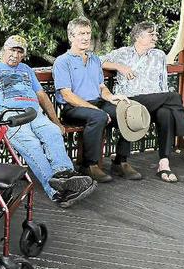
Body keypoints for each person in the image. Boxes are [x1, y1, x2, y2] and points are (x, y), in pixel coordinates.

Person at [0, 36, 96, 208]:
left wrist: (56, 122)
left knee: (53, 133)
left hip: (35, 114)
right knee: (32, 145)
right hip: (11, 117)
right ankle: (57, 193)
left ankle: (64, 175)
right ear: (4, 49)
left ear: (23, 55)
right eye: (12, 50)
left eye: (20, 52)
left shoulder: (26, 69)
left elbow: (42, 96)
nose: (15, 55)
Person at [53, 17, 142, 183]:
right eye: (81, 33)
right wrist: (96, 110)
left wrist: (112, 97)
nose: (86, 37)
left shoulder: (94, 59)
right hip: (73, 108)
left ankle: (120, 161)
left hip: (97, 103)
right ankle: (89, 165)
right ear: (71, 37)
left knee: (127, 112)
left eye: (88, 33)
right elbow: (67, 95)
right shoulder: (62, 61)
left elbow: (101, 87)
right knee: (99, 116)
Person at [102, 22, 184, 182]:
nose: (156, 37)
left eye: (156, 34)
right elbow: (98, 61)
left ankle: (164, 164)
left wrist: (164, 101)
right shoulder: (123, 53)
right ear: (137, 37)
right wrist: (119, 67)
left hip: (154, 101)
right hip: (129, 101)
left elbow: (163, 82)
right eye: (151, 34)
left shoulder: (159, 55)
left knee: (166, 112)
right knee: (173, 97)